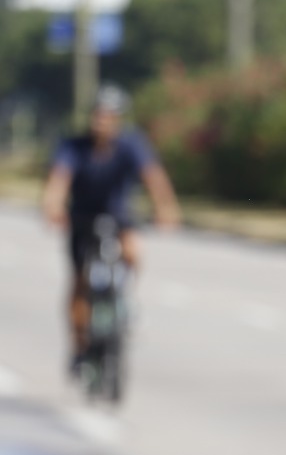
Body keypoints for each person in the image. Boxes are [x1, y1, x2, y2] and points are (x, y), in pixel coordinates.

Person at [40, 86, 182, 371]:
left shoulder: (131, 144)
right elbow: (59, 179)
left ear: (118, 119)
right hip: (82, 219)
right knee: (79, 282)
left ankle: (124, 300)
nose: (102, 121)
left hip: (119, 217)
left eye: (109, 115)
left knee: (132, 252)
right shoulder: (74, 146)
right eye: (98, 114)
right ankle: (79, 346)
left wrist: (166, 207)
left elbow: (153, 176)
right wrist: (52, 205)